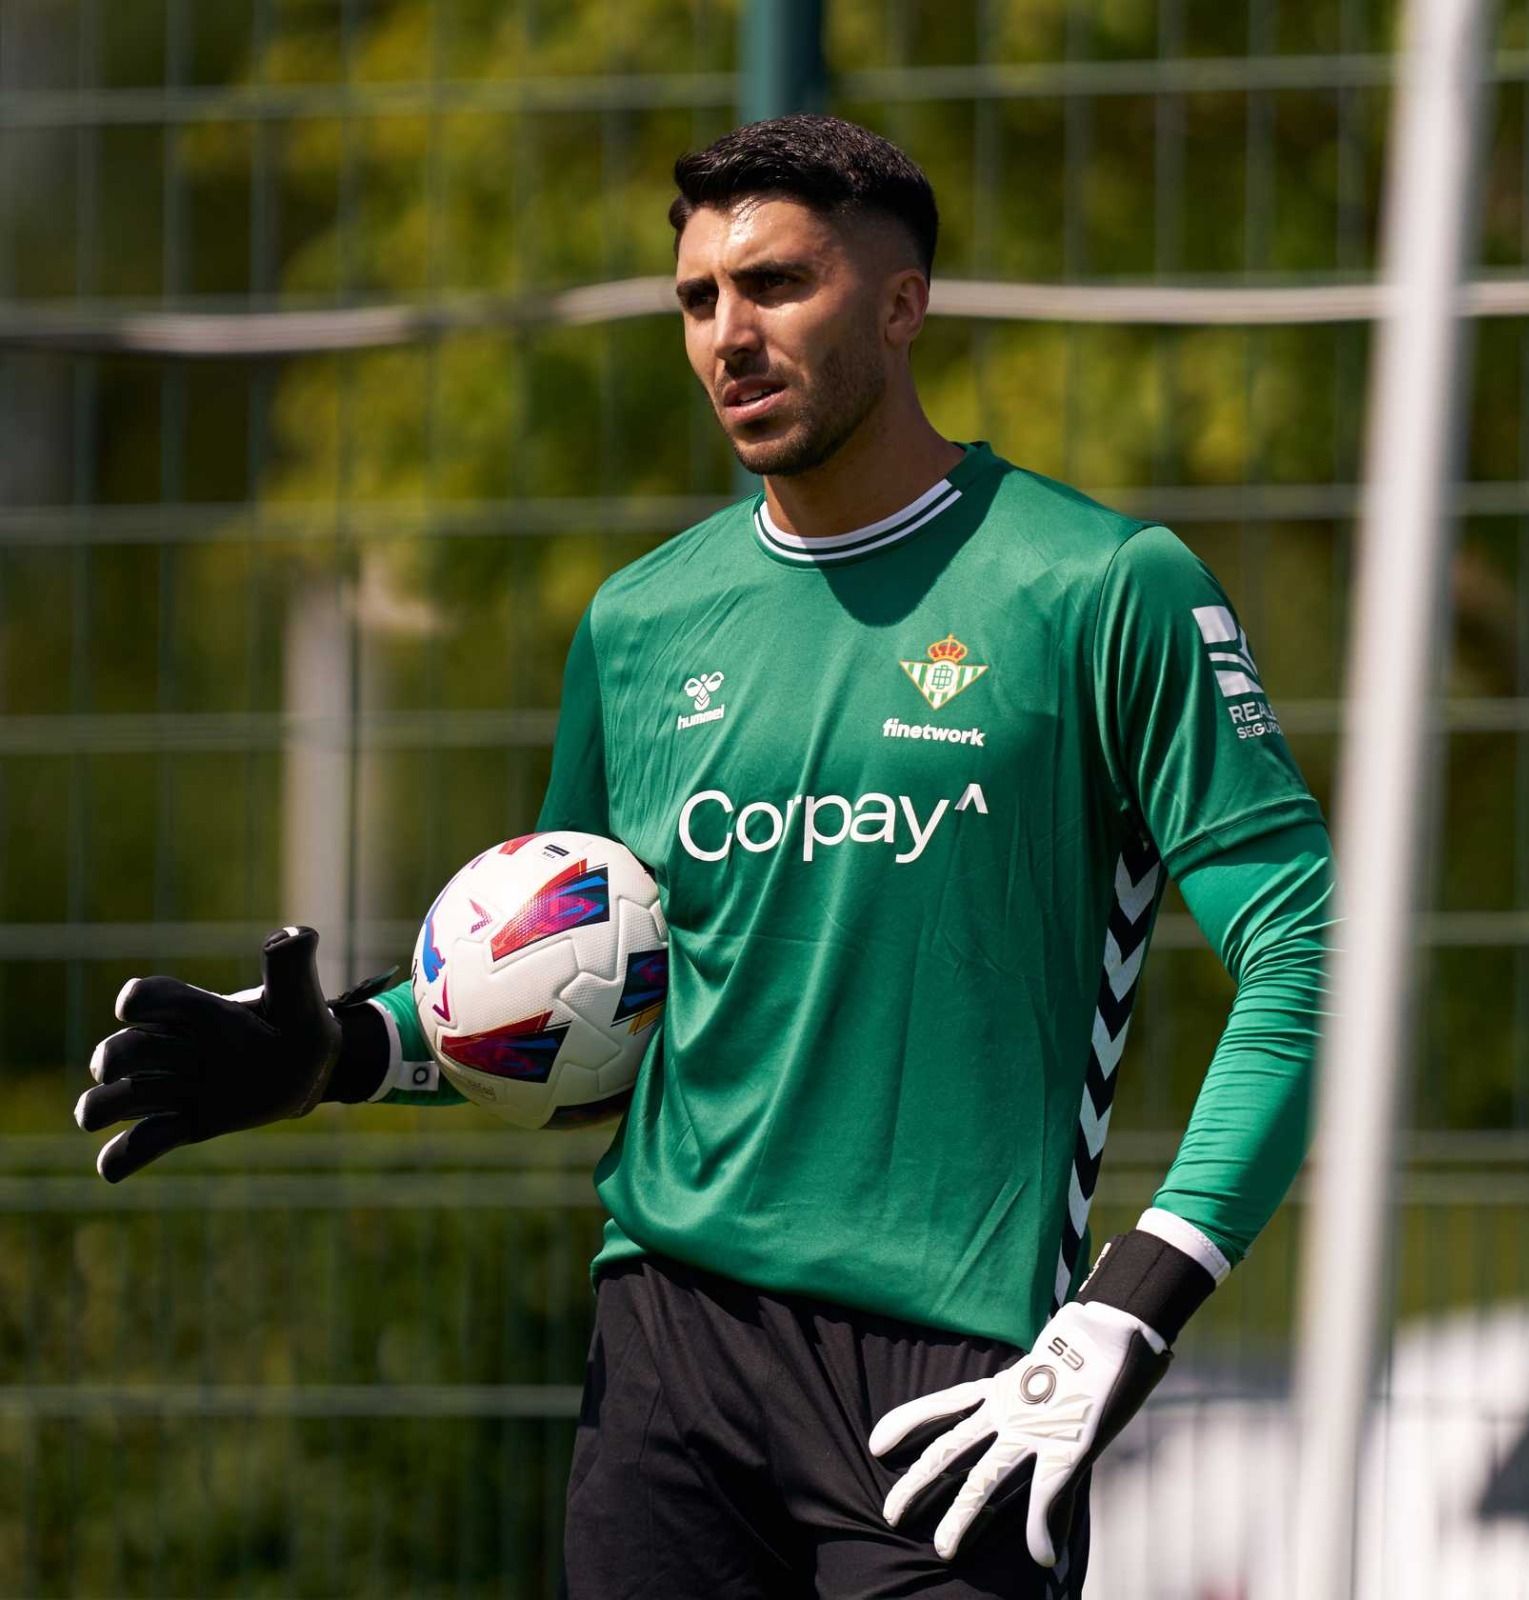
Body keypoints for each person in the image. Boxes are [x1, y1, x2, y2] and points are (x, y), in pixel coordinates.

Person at [76, 115, 1334, 1599]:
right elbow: (567, 985)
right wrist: (346, 1050)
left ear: (902, 302)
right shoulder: (640, 624)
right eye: (696, 299)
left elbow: (1307, 953)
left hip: (956, 1383)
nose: (729, 334)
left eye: (778, 284)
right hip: (664, 1361)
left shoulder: (1101, 588)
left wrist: (1137, 1299)